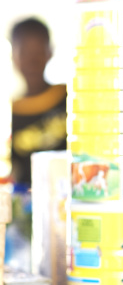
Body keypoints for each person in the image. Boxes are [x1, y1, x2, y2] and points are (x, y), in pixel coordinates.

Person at [10, 17, 67, 187]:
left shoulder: (68, 97)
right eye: (25, 52)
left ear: (50, 52)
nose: (32, 61)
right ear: (13, 56)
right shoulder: (11, 113)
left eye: (38, 52)